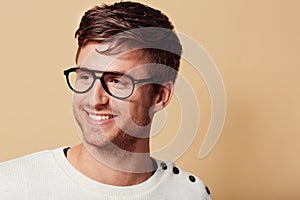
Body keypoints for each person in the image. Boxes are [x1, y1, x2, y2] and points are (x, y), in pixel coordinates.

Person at [0, 1, 212, 199]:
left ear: (160, 96)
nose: (95, 99)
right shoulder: (9, 185)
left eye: (117, 81)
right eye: (85, 76)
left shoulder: (190, 194)